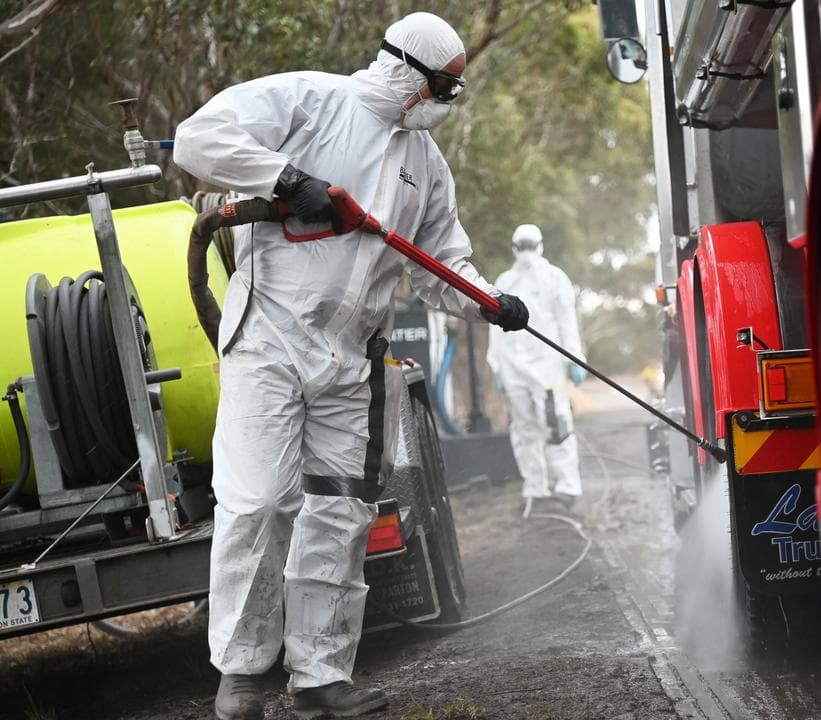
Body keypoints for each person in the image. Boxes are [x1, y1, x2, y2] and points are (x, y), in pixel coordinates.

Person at [172, 13, 528, 720]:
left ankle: (321, 680)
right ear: (407, 72)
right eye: (444, 89)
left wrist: (489, 300)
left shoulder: (424, 164)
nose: (447, 104)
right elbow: (197, 138)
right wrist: (285, 178)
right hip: (269, 341)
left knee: (339, 515)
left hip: (352, 359)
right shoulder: (308, 99)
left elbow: (441, 264)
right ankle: (242, 679)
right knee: (261, 503)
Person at [487, 224, 586, 517]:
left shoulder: (556, 279)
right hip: (513, 367)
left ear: (541, 245)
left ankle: (567, 488)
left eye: (532, 245)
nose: (527, 251)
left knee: (556, 427)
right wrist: (496, 366)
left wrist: (574, 359)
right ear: (514, 248)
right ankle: (535, 488)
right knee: (524, 430)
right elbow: (495, 328)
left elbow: (567, 321)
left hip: (548, 366)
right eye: (522, 246)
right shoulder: (505, 280)